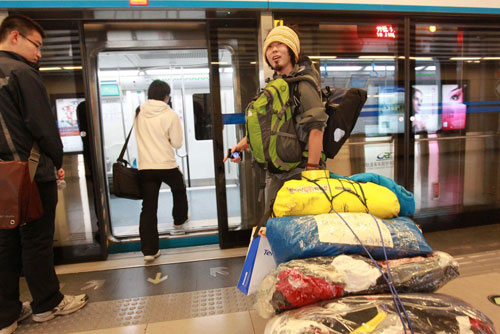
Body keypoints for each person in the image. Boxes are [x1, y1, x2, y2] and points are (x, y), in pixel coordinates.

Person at [0, 14, 88, 334]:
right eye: (36, 45)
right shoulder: (23, 73)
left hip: (2, 177)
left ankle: (6, 314)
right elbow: (43, 127)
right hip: (32, 174)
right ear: (14, 37)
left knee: (5, 242)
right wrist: (55, 158)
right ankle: (47, 303)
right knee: (37, 240)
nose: (39, 53)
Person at [224, 25, 328, 209]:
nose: (274, 50)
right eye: (270, 47)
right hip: (276, 173)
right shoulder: (276, 86)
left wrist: (312, 173)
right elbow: (272, 128)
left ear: (291, 50)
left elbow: (317, 128)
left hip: (301, 171)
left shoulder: (303, 85)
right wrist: (241, 145)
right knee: (270, 226)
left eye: (280, 44)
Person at [135, 80, 189, 262]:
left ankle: (150, 251)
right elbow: (177, 143)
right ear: (166, 96)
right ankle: (179, 218)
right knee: (179, 188)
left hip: (146, 167)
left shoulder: (139, 112)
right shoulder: (170, 114)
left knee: (148, 207)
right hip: (166, 164)